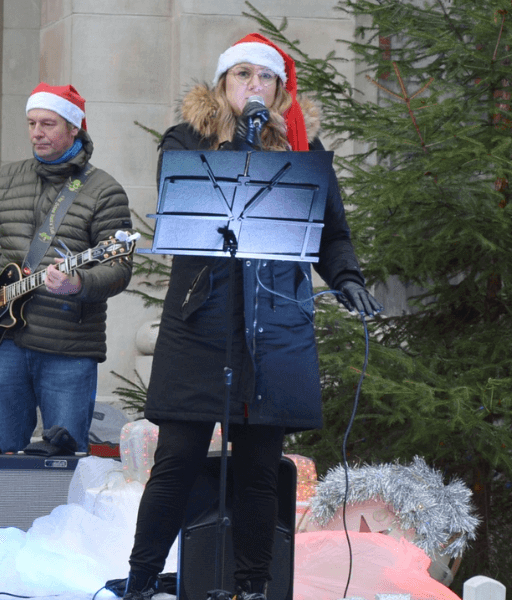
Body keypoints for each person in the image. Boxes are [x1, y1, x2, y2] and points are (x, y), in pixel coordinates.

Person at [121, 33, 382, 600]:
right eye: (242, 75)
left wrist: (348, 279)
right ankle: (140, 581)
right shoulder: (185, 139)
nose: (253, 85)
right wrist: (239, 142)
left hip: (273, 328)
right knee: (177, 461)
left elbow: (331, 233)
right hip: (200, 324)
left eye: (264, 77)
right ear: (223, 84)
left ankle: (253, 587)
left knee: (261, 470)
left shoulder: (299, 148)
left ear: (279, 90)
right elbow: (176, 200)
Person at [0, 82, 134, 454]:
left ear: (74, 128)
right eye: (31, 123)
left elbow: (120, 268)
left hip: (68, 346)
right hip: (4, 339)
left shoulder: (105, 190)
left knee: (65, 459)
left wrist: (77, 283)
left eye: (48, 124)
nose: (37, 133)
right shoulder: (5, 179)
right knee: (2, 452)